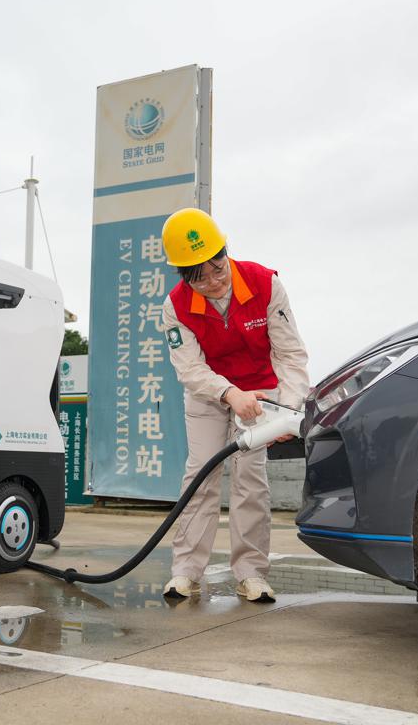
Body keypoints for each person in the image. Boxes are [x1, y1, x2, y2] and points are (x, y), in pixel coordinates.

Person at [158, 208, 310, 602]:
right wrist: (228, 392)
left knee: (250, 481)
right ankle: (186, 571)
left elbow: (290, 354)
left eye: (218, 269)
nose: (212, 282)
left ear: (226, 252)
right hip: (208, 394)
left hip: (260, 394)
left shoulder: (264, 283)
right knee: (201, 476)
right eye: (199, 278)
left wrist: (289, 412)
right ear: (182, 276)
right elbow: (190, 368)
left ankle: (252, 574)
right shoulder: (175, 306)